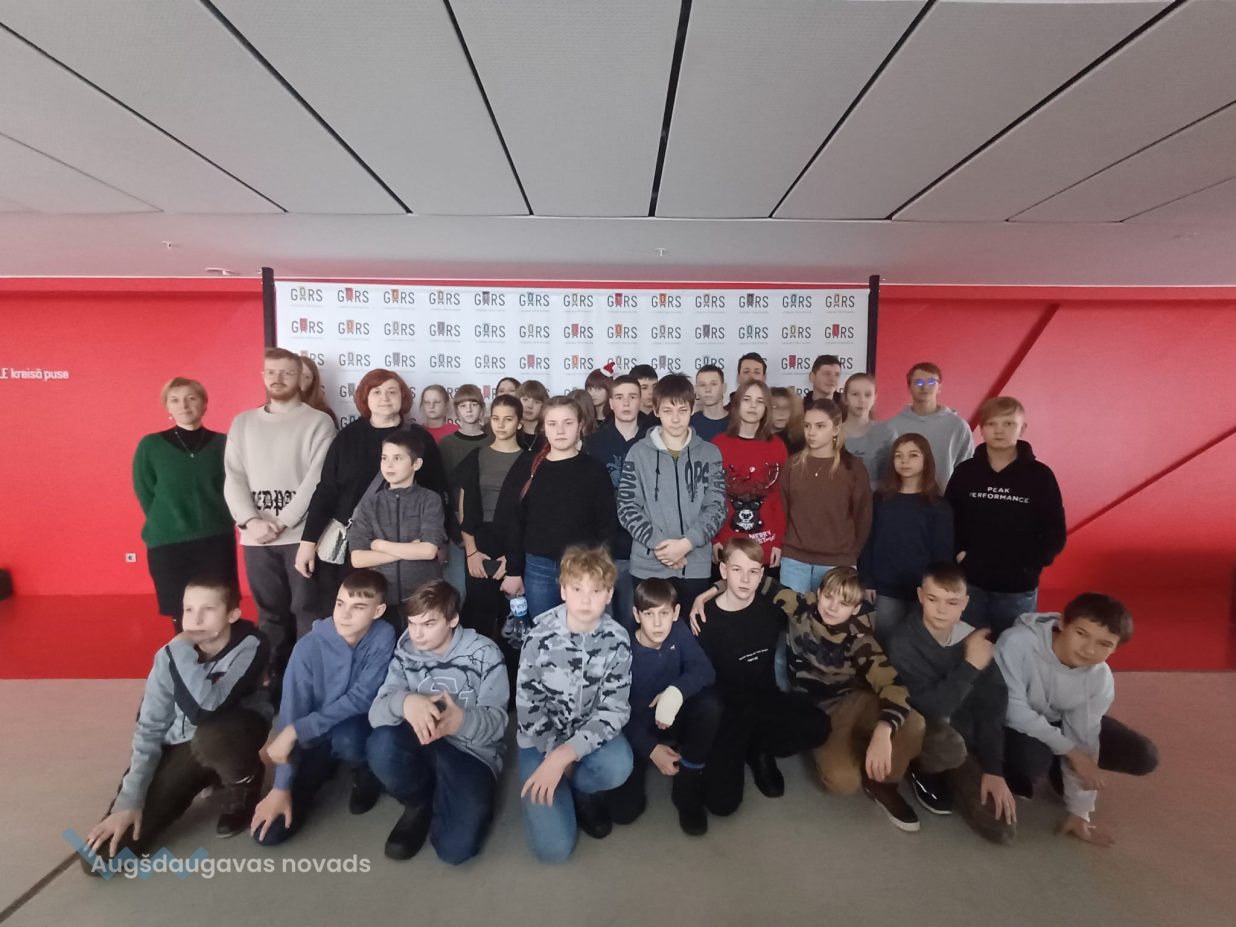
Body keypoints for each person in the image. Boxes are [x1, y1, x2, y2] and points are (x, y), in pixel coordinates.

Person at [701, 561, 924, 831]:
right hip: (817, 709)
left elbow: (893, 685)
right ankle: (862, 752)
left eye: (843, 603)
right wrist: (710, 591)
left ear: (855, 608)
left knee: (914, 722)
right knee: (842, 782)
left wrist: (884, 730)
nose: (832, 607)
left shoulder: (860, 638)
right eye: (828, 597)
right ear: (819, 593)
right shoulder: (801, 607)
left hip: (852, 699)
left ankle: (884, 781)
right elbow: (756, 581)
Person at [78, 577, 272, 874]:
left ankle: (244, 779)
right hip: (183, 749)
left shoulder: (251, 645)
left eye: (208, 609)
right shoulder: (168, 656)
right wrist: (128, 802)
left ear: (232, 614)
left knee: (213, 737)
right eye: (188, 609)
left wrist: (180, 649)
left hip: (227, 736)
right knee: (101, 859)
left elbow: (206, 708)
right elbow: (149, 728)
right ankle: (207, 774)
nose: (195, 620)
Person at [996, 594, 1158, 847]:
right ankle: (1036, 765)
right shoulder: (1018, 642)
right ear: (1062, 623)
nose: (1089, 650)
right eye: (1081, 634)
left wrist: (1080, 811)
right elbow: (1012, 710)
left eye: (1104, 644)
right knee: (1032, 761)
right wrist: (1071, 753)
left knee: (1143, 755)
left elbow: (1084, 735)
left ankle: (1061, 773)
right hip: (1012, 722)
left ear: (1116, 649)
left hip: (1058, 722)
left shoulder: (1100, 678)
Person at [250, 569, 396, 846]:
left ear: (378, 611)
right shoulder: (307, 648)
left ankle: (364, 771)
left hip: (352, 727)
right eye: (341, 603)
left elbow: (362, 697)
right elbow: (291, 713)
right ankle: (325, 765)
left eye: (358, 607)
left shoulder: (383, 635)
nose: (345, 614)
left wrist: (297, 730)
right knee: (269, 835)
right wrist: (281, 786)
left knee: (349, 738)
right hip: (313, 737)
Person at [367, 580, 509, 863]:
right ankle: (417, 802)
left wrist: (461, 722)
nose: (417, 634)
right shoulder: (405, 652)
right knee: (381, 742)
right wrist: (405, 701)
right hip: (422, 740)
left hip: (469, 751)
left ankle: (460, 796)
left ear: (453, 620)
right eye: (412, 623)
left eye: (428, 624)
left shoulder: (486, 653)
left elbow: (498, 723)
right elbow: (376, 714)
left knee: (456, 850)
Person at [687, 539, 830, 817]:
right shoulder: (702, 618)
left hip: (764, 700)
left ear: (762, 575)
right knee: (721, 805)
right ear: (723, 570)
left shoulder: (772, 608)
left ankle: (759, 749)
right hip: (727, 713)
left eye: (753, 572)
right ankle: (738, 750)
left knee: (818, 726)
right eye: (736, 570)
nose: (745, 579)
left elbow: (811, 607)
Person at [515, 546, 633, 863]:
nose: (585, 600)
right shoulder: (539, 636)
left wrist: (567, 755)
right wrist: (553, 753)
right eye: (577, 589)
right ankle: (560, 787)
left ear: (609, 595)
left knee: (619, 764)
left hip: (587, 737)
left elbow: (614, 710)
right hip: (539, 741)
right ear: (563, 591)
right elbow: (528, 709)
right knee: (553, 851)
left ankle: (583, 791)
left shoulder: (617, 638)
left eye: (596, 591)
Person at [296, 369, 447, 614]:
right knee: (356, 614)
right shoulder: (347, 437)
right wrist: (307, 542)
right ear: (365, 398)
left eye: (391, 392)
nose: (384, 398)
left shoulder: (420, 438)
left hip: (412, 548)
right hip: (355, 545)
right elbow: (326, 491)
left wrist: (441, 542)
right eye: (376, 392)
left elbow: (437, 489)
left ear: (403, 397)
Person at [886, 564, 1017, 844]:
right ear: (920, 596)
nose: (941, 610)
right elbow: (931, 708)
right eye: (933, 599)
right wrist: (970, 666)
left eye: (952, 602)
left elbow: (992, 708)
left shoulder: (975, 640)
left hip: (965, 736)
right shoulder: (903, 641)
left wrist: (993, 769)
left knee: (1002, 827)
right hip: (926, 730)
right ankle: (923, 770)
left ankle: (959, 772)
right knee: (948, 746)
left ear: (965, 603)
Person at [224, 347, 335, 674]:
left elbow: (318, 479)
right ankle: (272, 686)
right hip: (256, 538)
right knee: (269, 617)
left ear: (300, 377)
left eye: (287, 372)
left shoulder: (318, 422)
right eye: (271, 372)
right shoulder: (243, 423)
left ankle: (306, 684)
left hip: (300, 538)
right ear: (263, 376)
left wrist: (284, 521)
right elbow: (233, 476)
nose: (278, 378)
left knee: (308, 612)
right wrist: (251, 521)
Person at [604, 579, 719, 836]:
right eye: (649, 614)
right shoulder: (623, 650)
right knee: (623, 813)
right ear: (637, 615)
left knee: (710, 704)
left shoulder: (678, 631)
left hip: (672, 717)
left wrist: (675, 692)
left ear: (675, 613)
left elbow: (705, 670)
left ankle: (687, 780)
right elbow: (616, 712)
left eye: (664, 614)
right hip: (637, 727)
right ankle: (650, 758)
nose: (657, 623)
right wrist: (650, 749)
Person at [946, 396, 1067, 637]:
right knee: (966, 645)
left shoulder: (1040, 476)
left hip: (1017, 588)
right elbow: (948, 519)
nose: (999, 430)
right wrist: (959, 555)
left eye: (1008, 423)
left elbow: (1054, 529)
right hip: (970, 583)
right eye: (992, 424)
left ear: (1022, 428)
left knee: (1013, 648)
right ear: (982, 429)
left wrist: (1030, 565)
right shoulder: (965, 472)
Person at [498, 396, 617, 620]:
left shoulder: (594, 470)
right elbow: (514, 521)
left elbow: (607, 525)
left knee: (586, 630)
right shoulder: (528, 466)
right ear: (544, 428)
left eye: (568, 423)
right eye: (552, 424)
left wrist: (601, 568)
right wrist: (513, 571)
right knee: (544, 632)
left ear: (580, 425)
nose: (560, 430)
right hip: (539, 568)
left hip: (585, 568)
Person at [132, 377, 236, 628]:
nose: (184, 405)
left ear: (204, 404)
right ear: (167, 407)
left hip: (215, 540)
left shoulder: (224, 444)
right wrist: (169, 519)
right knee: (181, 613)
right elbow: (145, 491)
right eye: (175, 400)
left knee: (220, 608)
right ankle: (187, 653)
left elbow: (233, 488)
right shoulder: (150, 446)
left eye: (191, 398)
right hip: (169, 543)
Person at [618, 374, 727, 608]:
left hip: (694, 565)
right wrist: (663, 548)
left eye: (682, 410)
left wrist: (686, 544)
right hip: (648, 566)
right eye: (668, 411)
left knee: (691, 627)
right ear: (656, 411)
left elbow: (717, 508)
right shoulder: (638, 453)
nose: (676, 419)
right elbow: (627, 508)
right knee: (650, 629)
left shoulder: (710, 453)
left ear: (692, 409)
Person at [858, 433, 954, 643]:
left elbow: (943, 553)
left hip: (923, 590)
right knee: (884, 643)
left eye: (913, 455)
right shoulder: (880, 499)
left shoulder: (937, 505)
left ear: (926, 460)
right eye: (898, 456)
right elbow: (867, 541)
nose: (904, 461)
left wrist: (936, 590)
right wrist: (867, 580)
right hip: (885, 588)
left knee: (917, 645)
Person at [348, 431, 447, 620]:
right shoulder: (369, 504)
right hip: (381, 598)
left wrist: (379, 545)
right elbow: (358, 559)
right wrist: (411, 549)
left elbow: (428, 551)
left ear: (416, 464)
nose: (389, 465)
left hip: (424, 597)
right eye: (384, 458)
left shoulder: (430, 499)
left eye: (397, 458)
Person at [779, 398, 872, 594]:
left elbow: (863, 517)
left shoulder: (853, 469)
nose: (811, 432)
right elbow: (782, 510)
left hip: (838, 561)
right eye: (807, 425)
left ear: (836, 429)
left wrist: (849, 553)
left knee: (834, 614)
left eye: (820, 426)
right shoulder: (793, 465)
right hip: (795, 559)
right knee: (792, 614)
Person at [458, 395, 530, 641]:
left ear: (519, 422)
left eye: (508, 419)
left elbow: (534, 514)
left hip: (516, 542)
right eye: (496, 418)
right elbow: (464, 508)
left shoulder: (532, 461)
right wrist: (471, 552)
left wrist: (513, 559)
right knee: (478, 618)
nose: (501, 424)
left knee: (513, 622)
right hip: (480, 543)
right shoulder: (477, 456)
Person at [583, 374, 650, 631]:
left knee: (638, 619)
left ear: (641, 400)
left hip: (645, 546)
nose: (626, 403)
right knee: (605, 622)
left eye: (632, 397)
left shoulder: (654, 439)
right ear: (610, 403)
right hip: (605, 546)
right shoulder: (594, 442)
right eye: (619, 397)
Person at [712, 380, 787, 570]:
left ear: (766, 408)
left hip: (765, 544)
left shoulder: (777, 446)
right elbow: (709, 498)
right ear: (736, 404)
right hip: (726, 543)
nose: (753, 405)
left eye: (760, 401)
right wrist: (714, 539)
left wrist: (779, 541)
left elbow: (780, 499)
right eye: (747, 399)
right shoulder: (718, 445)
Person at [437, 384, 489, 605]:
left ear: (482, 408)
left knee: (483, 590)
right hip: (454, 527)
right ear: (455, 410)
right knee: (456, 590)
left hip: (486, 525)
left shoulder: (492, 441)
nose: (468, 410)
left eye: (473, 404)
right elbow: (442, 487)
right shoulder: (446, 444)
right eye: (463, 405)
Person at [886, 362, 974, 489]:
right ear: (909, 387)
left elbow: (966, 470)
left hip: (944, 497)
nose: (925, 387)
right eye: (918, 382)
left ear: (940, 387)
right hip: (901, 497)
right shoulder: (892, 426)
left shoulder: (958, 426)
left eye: (932, 382)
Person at [841, 372, 893, 489]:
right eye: (855, 394)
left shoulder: (886, 434)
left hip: (878, 499)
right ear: (845, 398)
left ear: (875, 398)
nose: (862, 400)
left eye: (868, 395)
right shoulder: (831, 435)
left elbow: (893, 477)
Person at [690, 363, 728, 442]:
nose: (708, 389)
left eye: (713, 384)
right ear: (696, 389)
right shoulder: (690, 424)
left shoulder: (737, 422)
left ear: (723, 388)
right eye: (702, 385)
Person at [298, 354, 338, 427]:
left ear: (314, 381)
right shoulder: (279, 409)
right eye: (298, 375)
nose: (301, 380)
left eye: (307, 377)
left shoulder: (325, 413)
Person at [769, 387, 805, 455]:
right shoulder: (756, 438)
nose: (781, 413)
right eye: (775, 407)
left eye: (786, 407)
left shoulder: (799, 442)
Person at [515, 379, 549, 446]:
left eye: (537, 402)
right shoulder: (511, 433)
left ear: (543, 406)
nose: (530, 406)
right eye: (525, 400)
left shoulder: (549, 435)